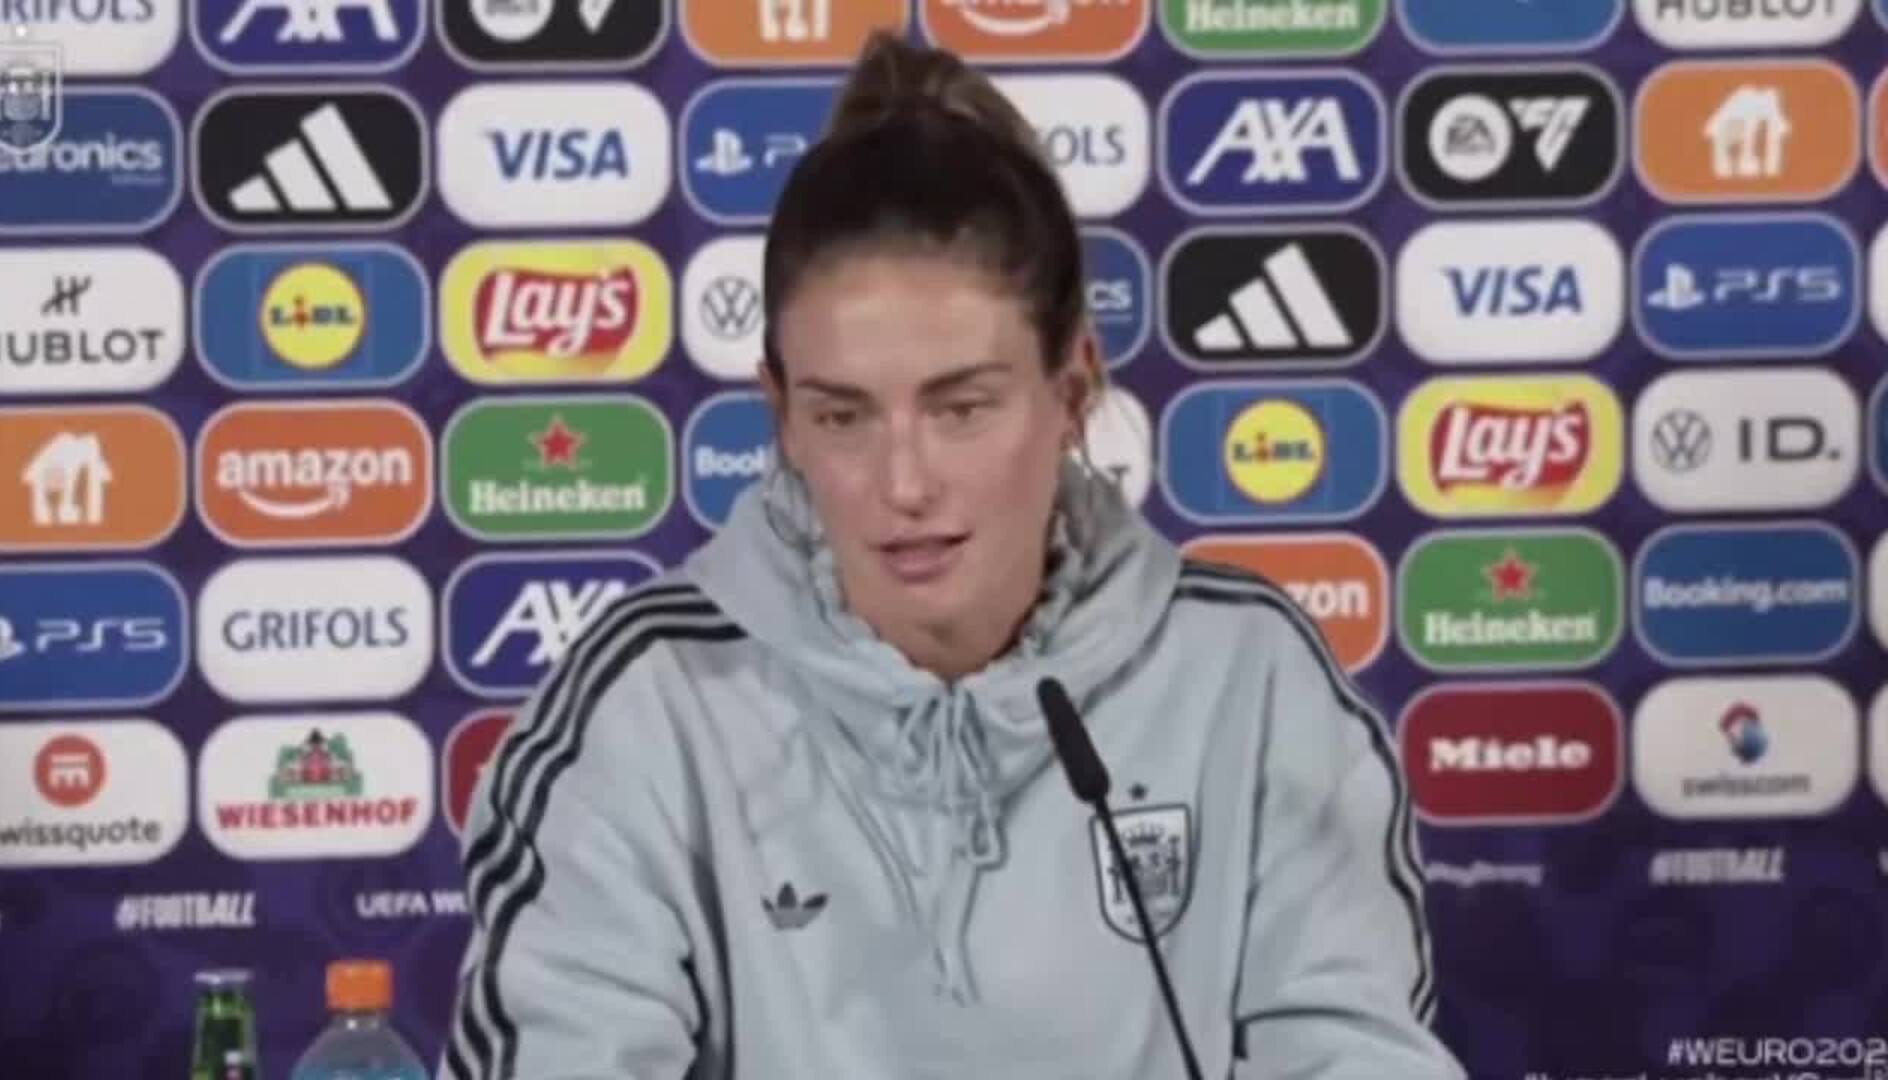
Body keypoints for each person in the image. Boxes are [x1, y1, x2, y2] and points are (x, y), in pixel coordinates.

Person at [439, 30, 1465, 1080]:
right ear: (781, 415)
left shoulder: (1253, 679)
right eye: (843, 417)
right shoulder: (648, 702)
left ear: (1071, 389)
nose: (904, 483)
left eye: (961, 407)